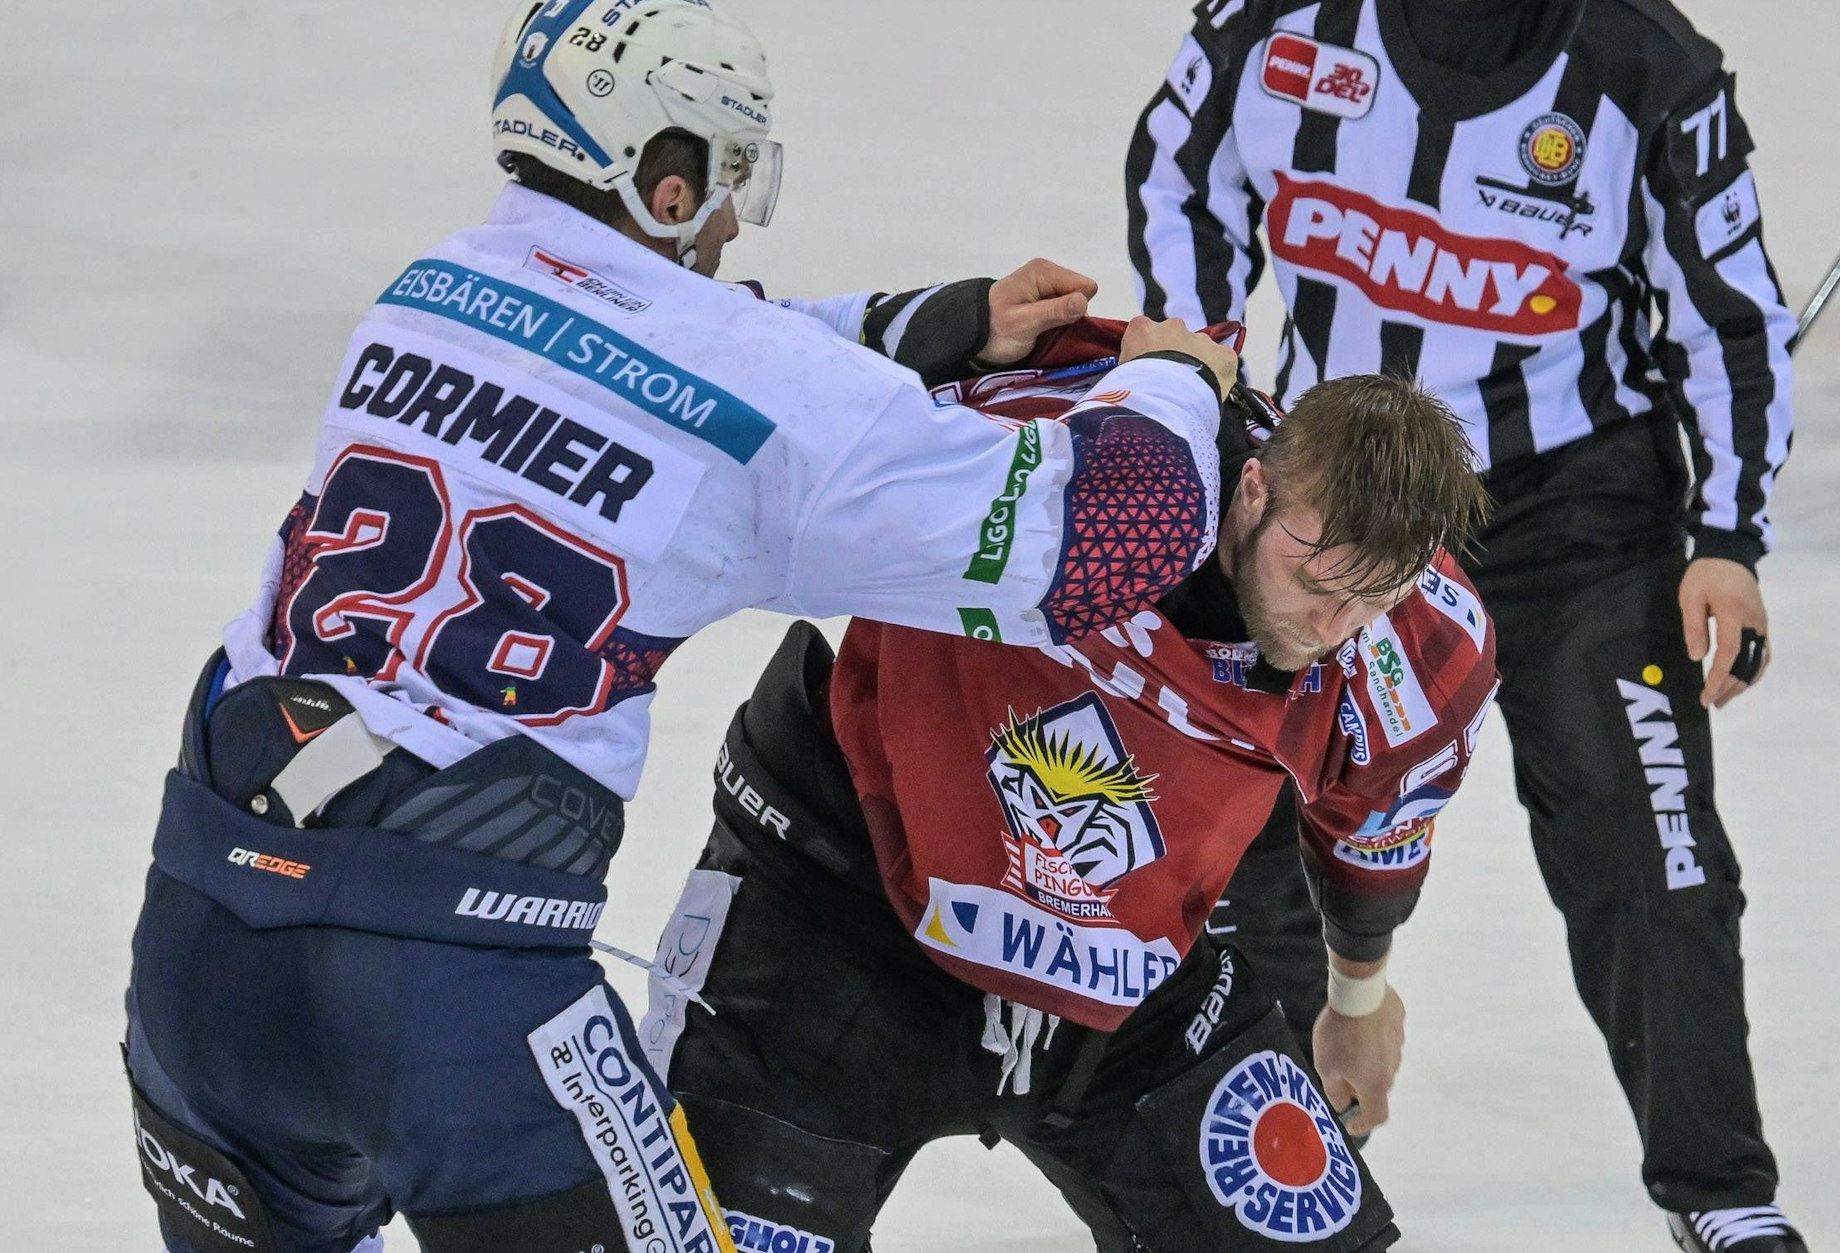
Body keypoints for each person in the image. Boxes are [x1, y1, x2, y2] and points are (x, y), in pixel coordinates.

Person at [120, 1, 1249, 1250]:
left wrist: (919, 326)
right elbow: (1110, 539)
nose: (728, 221)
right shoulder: (758, 391)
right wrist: (1172, 379)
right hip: (449, 996)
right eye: (726, 176)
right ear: (666, 183)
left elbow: (661, 347)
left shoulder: (425, 291)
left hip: (201, 943)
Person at [1126, 1, 1802, 1250]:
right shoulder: (1272, 24)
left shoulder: (1643, 64)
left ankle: (1719, 1191)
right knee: (1248, 829)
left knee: (1646, 840)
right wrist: (1200, 385)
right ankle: (1282, 1172)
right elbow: (1181, 181)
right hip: (1344, 503)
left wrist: (1726, 536)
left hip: (1574, 516)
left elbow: (1730, 310)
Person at [637, 329, 1498, 1253]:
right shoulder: (1052, 448)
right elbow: (783, 397)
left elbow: (1374, 828)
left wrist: (1358, 1001)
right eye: (1314, 579)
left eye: (1370, 599)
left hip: (1119, 962)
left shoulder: (1420, 654)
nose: (1331, 625)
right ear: (1253, 487)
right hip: (842, 899)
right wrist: (961, 319)